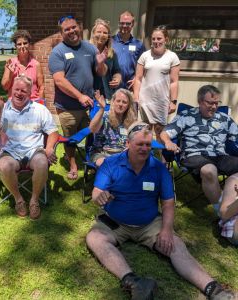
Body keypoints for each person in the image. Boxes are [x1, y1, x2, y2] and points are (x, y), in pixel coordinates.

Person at [86, 123, 235, 300]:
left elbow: (168, 203)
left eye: (148, 145)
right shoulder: (110, 163)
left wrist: (166, 230)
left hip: (149, 223)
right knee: (94, 238)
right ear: (127, 143)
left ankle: (214, 290)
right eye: (139, 144)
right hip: (116, 221)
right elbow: (96, 192)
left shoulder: (158, 168)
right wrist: (99, 196)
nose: (144, 148)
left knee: (176, 245)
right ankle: (134, 282)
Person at [160, 85, 238, 245]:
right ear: (200, 101)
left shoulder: (224, 118)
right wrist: (168, 142)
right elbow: (164, 133)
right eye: (210, 103)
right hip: (194, 155)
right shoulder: (186, 116)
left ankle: (230, 204)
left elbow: (236, 136)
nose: (214, 106)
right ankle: (221, 214)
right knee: (209, 170)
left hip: (219, 156)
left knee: (218, 166)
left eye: (217, 103)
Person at [0, 75, 59, 220]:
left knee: (42, 162)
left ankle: (34, 200)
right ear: (11, 90)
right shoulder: (3, 108)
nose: (19, 93)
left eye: (23, 91)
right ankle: (18, 200)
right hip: (10, 151)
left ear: (30, 93)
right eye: (16, 89)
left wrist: (49, 148)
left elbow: (53, 132)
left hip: (33, 150)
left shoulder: (39, 109)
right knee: (5, 165)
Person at [49, 15, 107, 180]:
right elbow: (59, 80)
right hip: (67, 106)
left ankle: (91, 161)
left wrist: (101, 63)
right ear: (62, 33)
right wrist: (79, 95)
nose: (71, 31)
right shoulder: (58, 52)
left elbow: (100, 73)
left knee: (92, 134)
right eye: (67, 29)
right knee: (70, 138)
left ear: (79, 27)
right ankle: (73, 164)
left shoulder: (90, 48)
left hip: (89, 105)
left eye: (73, 27)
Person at [134, 26, 180, 142]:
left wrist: (173, 102)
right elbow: (138, 78)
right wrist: (136, 97)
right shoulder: (145, 56)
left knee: (160, 134)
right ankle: (145, 158)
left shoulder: (172, 57)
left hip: (162, 101)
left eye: (159, 39)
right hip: (145, 100)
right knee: (145, 133)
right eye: (154, 39)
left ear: (166, 40)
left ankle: (160, 159)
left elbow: (174, 82)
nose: (156, 41)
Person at [89, 89, 136, 167]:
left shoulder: (131, 120)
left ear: (128, 105)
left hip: (125, 154)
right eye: (118, 101)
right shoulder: (105, 115)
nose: (120, 104)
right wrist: (101, 109)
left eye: (124, 102)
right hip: (103, 153)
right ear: (113, 102)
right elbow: (92, 129)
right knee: (109, 165)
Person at [1, 30, 44, 101]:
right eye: (19, 44)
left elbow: (41, 87)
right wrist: (11, 74)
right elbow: (5, 87)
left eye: (25, 43)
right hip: (14, 105)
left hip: (33, 104)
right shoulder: (10, 64)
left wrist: (41, 103)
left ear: (29, 44)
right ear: (15, 46)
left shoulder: (36, 64)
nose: (22, 46)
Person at [112, 11, 145, 90]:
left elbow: (144, 65)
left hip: (129, 88)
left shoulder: (139, 45)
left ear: (132, 24)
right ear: (118, 23)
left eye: (128, 23)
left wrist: (137, 78)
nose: (124, 26)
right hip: (112, 87)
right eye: (122, 23)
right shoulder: (110, 41)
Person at [89, 19, 122, 100]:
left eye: (105, 33)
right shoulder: (86, 50)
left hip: (107, 96)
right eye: (99, 32)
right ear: (93, 34)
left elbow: (117, 71)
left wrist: (117, 79)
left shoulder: (111, 53)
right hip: (89, 96)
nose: (102, 35)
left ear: (108, 36)